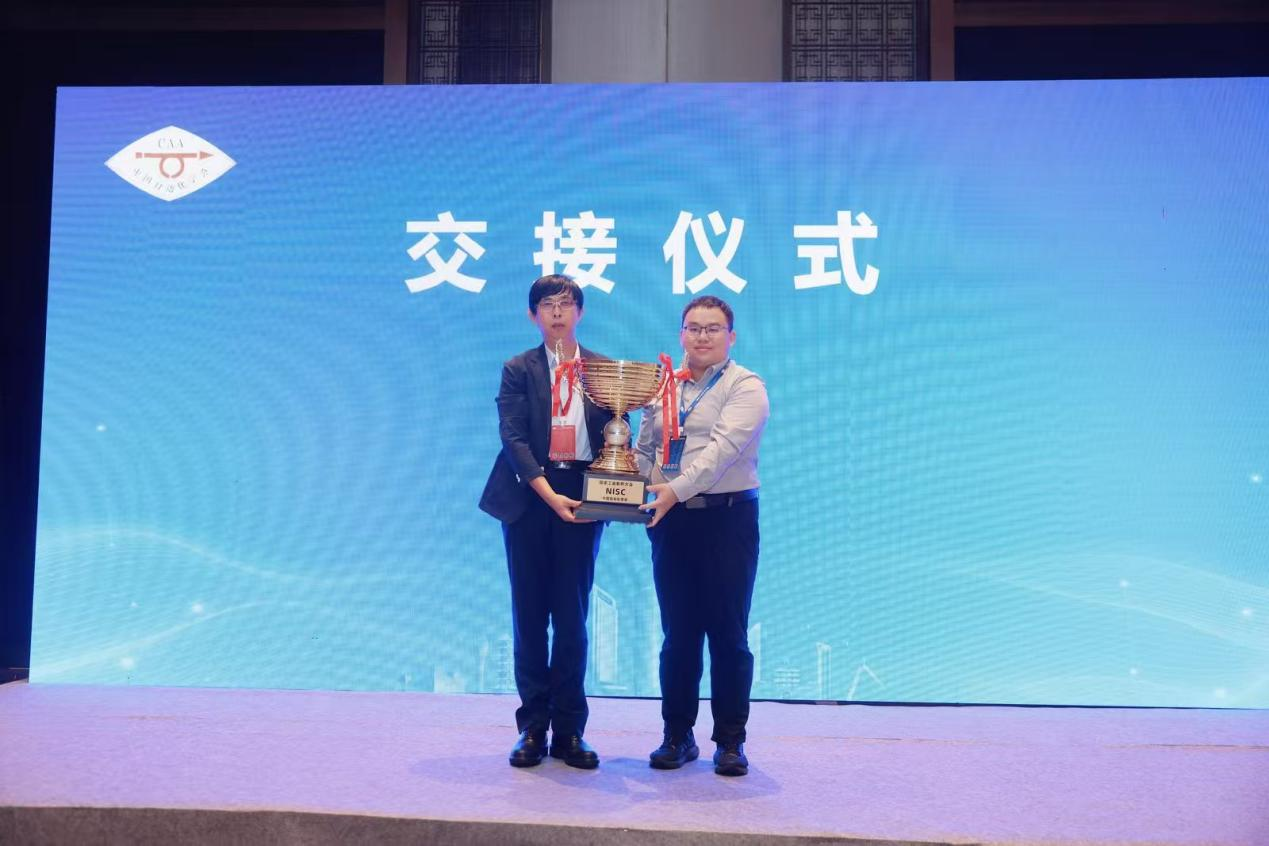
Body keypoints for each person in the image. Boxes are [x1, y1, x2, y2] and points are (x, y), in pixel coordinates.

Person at [479, 274, 610, 769]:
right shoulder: (518, 369)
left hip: (581, 497)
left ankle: (571, 731)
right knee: (530, 618)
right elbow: (512, 438)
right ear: (532, 315)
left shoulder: (603, 371)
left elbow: (615, 436)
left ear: (580, 312)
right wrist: (548, 494)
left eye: (566, 303)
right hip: (529, 499)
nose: (557, 312)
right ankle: (533, 728)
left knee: (572, 620)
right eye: (547, 305)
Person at [636, 294, 769, 777]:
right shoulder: (664, 387)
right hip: (672, 521)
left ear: (731, 337)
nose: (702, 336)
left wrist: (671, 490)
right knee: (678, 635)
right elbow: (645, 449)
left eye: (713, 328)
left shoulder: (745, 386)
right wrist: (630, 483)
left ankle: (730, 741)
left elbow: (721, 453)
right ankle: (677, 735)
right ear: (681, 335)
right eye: (693, 327)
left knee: (728, 635)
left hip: (727, 519)